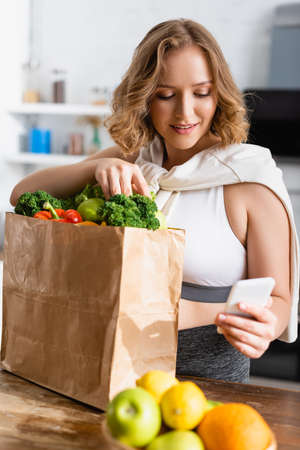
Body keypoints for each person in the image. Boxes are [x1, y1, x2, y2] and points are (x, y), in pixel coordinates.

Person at [10, 19, 299, 383]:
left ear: (219, 94)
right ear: (144, 96)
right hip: (109, 373)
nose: (184, 113)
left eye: (201, 93)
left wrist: (265, 326)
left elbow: (280, 299)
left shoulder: (247, 180)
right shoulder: (133, 159)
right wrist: (99, 164)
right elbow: (22, 195)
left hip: (205, 382)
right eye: (165, 95)